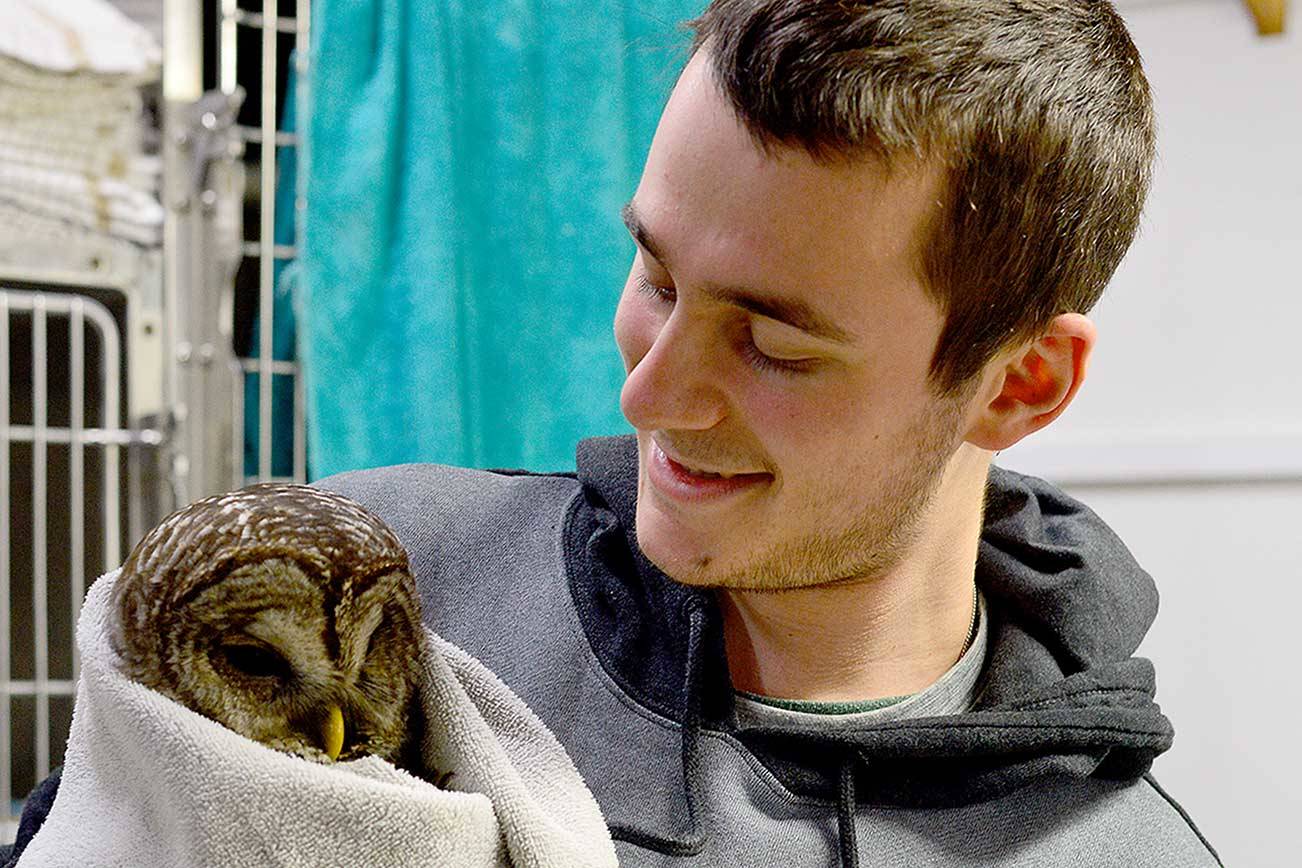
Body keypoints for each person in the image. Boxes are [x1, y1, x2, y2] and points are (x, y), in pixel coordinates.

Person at [5, 1, 1221, 866]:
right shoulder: (383, 575)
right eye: (655, 274)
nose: (649, 394)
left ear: (1020, 383)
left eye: (776, 345)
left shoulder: (1119, 851)